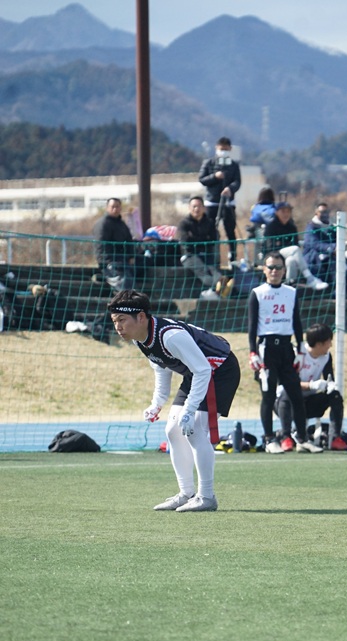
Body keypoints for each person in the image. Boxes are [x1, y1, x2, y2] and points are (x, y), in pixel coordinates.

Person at [109, 289, 240, 512]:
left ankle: (206, 496)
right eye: (114, 321)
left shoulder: (170, 336)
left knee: (194, 429)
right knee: (172, 430)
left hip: (218, 370)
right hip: (196, 373)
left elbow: (203, 370)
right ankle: (186, 493)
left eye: (122, 320)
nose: (117, 327)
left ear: (141, 317)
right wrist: (157, 403)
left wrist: (189, 410)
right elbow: (161, 367)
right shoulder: (140, 339)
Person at [247, 251, 307, 454]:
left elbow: (296, 322)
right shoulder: (257, 293)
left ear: (284, 270)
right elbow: (252, 327)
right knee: (268, 395)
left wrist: (301, 348)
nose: (274, 271)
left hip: (286, 348)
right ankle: (269, 439)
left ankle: (302, 438)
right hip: (266, 349)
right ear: (264, 269)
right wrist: (253, 352)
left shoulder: (291, 292)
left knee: (296, 394)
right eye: (271, 267)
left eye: (278, 267)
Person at [275, 323, 344, 451]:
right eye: (329, 342)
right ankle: (286, 437)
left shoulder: (326, 357)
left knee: (335, 396)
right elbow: (286, 382)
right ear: (319, 344)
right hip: (286, 404)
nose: (330, 345)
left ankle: (336, 438)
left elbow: (329, 377)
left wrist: (330, 385)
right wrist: (311, 385)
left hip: (308, 403)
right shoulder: (296, 354)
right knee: (287, 394)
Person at [261, 202, 328, 290]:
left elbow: (295, 243)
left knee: (291, 261)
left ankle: (289, 285)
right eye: (283, 211)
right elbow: (270, 247)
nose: (286, 214)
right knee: (295, 249)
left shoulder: (291, 227)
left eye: (288, 211)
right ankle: (309, 278)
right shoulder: (271, 226)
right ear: (276, 212)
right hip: (273, 255)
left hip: (287, 256)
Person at [198, 136, 242, 264]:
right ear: (216, 148)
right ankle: (211, 256)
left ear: (230, 149)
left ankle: (232, 257)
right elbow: (202, 179)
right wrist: (215, 176)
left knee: (230, 230)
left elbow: (237, 182)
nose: (223, 151)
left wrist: (230, 189)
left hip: (228, 203)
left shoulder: (233, 165)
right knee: (211, 230)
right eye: (221, 149)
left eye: (226, 149)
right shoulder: (209, 163)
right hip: (212, 202)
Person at [177, 196, 222, 291]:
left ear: (204, 208)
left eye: (199, 206)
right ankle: (217, 289)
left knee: (215, 272)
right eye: (194, 206)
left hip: (206, 254)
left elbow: (214, 238)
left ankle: (222, 287)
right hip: (189, 256)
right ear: (189, 208)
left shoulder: (209, 222)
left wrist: (194, 238)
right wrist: (204, 239)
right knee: (203, 272)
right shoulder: (184, 223)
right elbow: (185, 241)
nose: (196, 209)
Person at [93, 197, 135, 292]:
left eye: (117, 206)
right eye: (112, 207)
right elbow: (100, 245)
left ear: (120, 208)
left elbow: (129, 241)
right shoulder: (103, 224)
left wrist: (131, 256)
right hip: (110, 262)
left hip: (123, 260)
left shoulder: (121, 224)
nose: (115, 209)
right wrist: (106, 262)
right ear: (107, 208)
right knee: (123, 282)